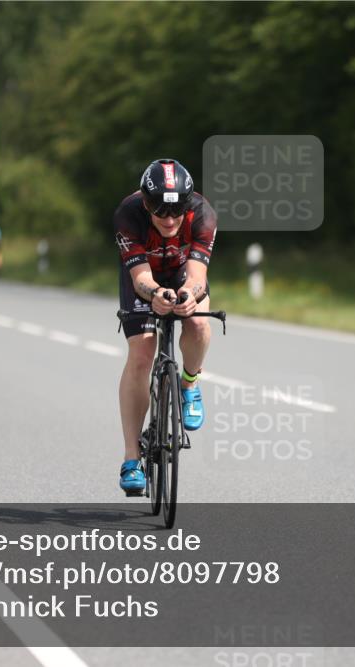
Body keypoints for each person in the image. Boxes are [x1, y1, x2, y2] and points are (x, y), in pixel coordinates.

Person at [113, 158, 217, 494]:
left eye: (176, 211)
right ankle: (132, 458)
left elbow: (198, 276)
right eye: (160, 211)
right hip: (144, 276)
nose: (170, 219)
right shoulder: (129, 214)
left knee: (198, 323)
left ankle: (189, 384)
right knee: (142, 352)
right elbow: (140, 277)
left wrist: (189, 295)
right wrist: (156, 293)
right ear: (146, 204)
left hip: (183, 273)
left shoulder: (203, 214)